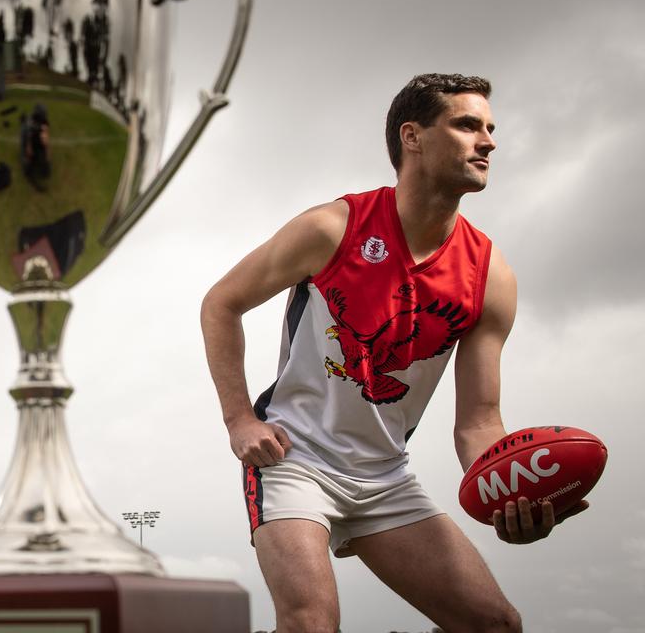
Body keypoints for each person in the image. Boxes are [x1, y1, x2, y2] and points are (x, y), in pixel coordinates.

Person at [199, 74, 585, 632]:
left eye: (491, 128)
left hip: (385, 477)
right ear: (413, 136)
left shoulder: (490, 275)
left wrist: (507, 494)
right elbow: (220, 304)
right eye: (467, 125)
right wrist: (238, 418)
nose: (489, 142)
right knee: (311, 622)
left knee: (496, 625)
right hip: (294, 458)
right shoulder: (332, 227)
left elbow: (478, 421)